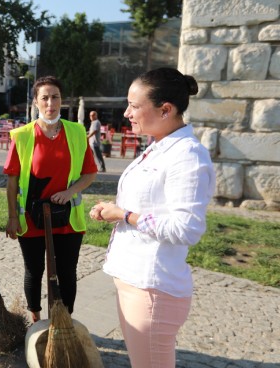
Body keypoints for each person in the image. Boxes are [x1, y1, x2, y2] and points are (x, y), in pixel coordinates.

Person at [90, 67, 215, 367]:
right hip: (135, 282)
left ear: (165, 109)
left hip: (152, 289)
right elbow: (151, 204)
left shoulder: (187, 155)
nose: (126, 112)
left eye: (134, 105)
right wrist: (116, 211)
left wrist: (125, 214)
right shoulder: (160, 145)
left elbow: (186, 229)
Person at [4, 76, 97, 322]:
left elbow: (90, 173)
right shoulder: (22, 136)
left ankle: (64, 322)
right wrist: (13, 216)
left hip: (67, 220)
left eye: (55, 96)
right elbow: (12, 181)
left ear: (61, 100)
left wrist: (69, 192)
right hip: (31, 219)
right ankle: (36, 319)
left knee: (67, 272)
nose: (50, 102)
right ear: (36, 102)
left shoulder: (77, 132)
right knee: (34, 271)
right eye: (44, 97)